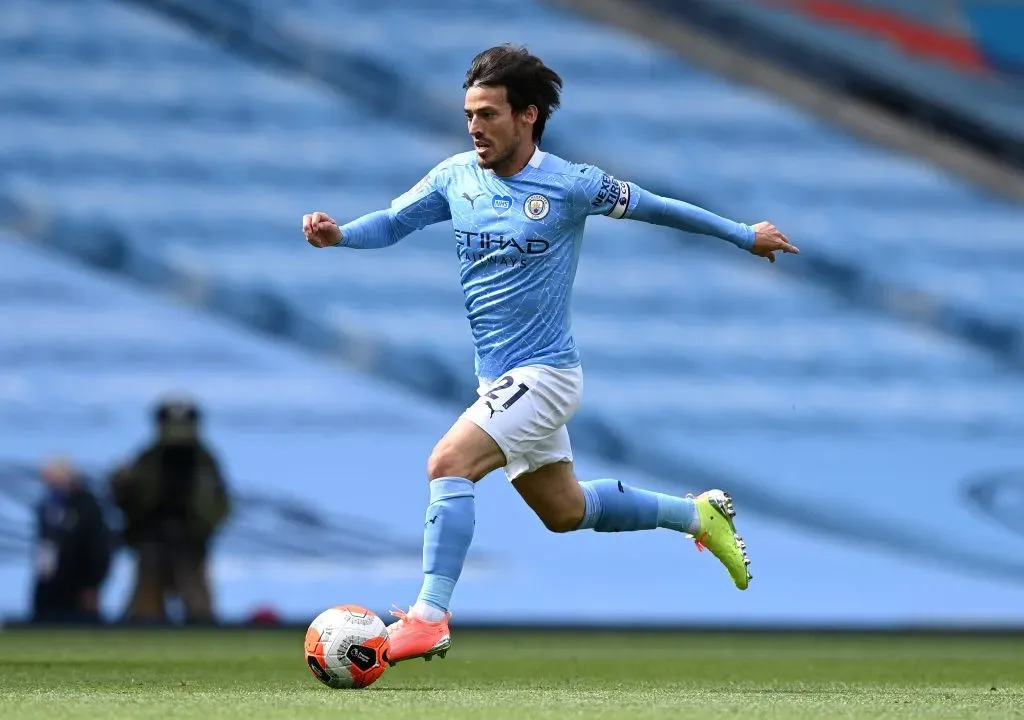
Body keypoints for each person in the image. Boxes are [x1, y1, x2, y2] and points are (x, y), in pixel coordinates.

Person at [301, 44, 798, 664]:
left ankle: (429, 616)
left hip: (547, 375)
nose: (475, 127)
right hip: (498, 380)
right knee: (564, 511)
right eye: (469, 115)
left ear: (528, 115)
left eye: (488, 114)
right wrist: (340, 234)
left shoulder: (570, 184)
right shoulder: (456, 177)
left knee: (448, 463)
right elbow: (394, 221)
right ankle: (699, 516)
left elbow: (659, 207)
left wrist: (743, 234)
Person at [110, 397, 230, 624]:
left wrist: (201, 531)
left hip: (189, 544)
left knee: (198, 612)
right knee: (145, 612)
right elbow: (130, 501)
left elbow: (219, 504)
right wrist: (121, 489)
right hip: (153, 542)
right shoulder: (148, 459)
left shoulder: (204, 461)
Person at [31, 459, 112, 624]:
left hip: (78, 583)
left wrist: (93, 583)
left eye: (53, 479)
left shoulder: (88, 506)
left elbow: (98, 548)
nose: (49, 484)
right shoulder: (46, 506)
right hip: (49, 582)